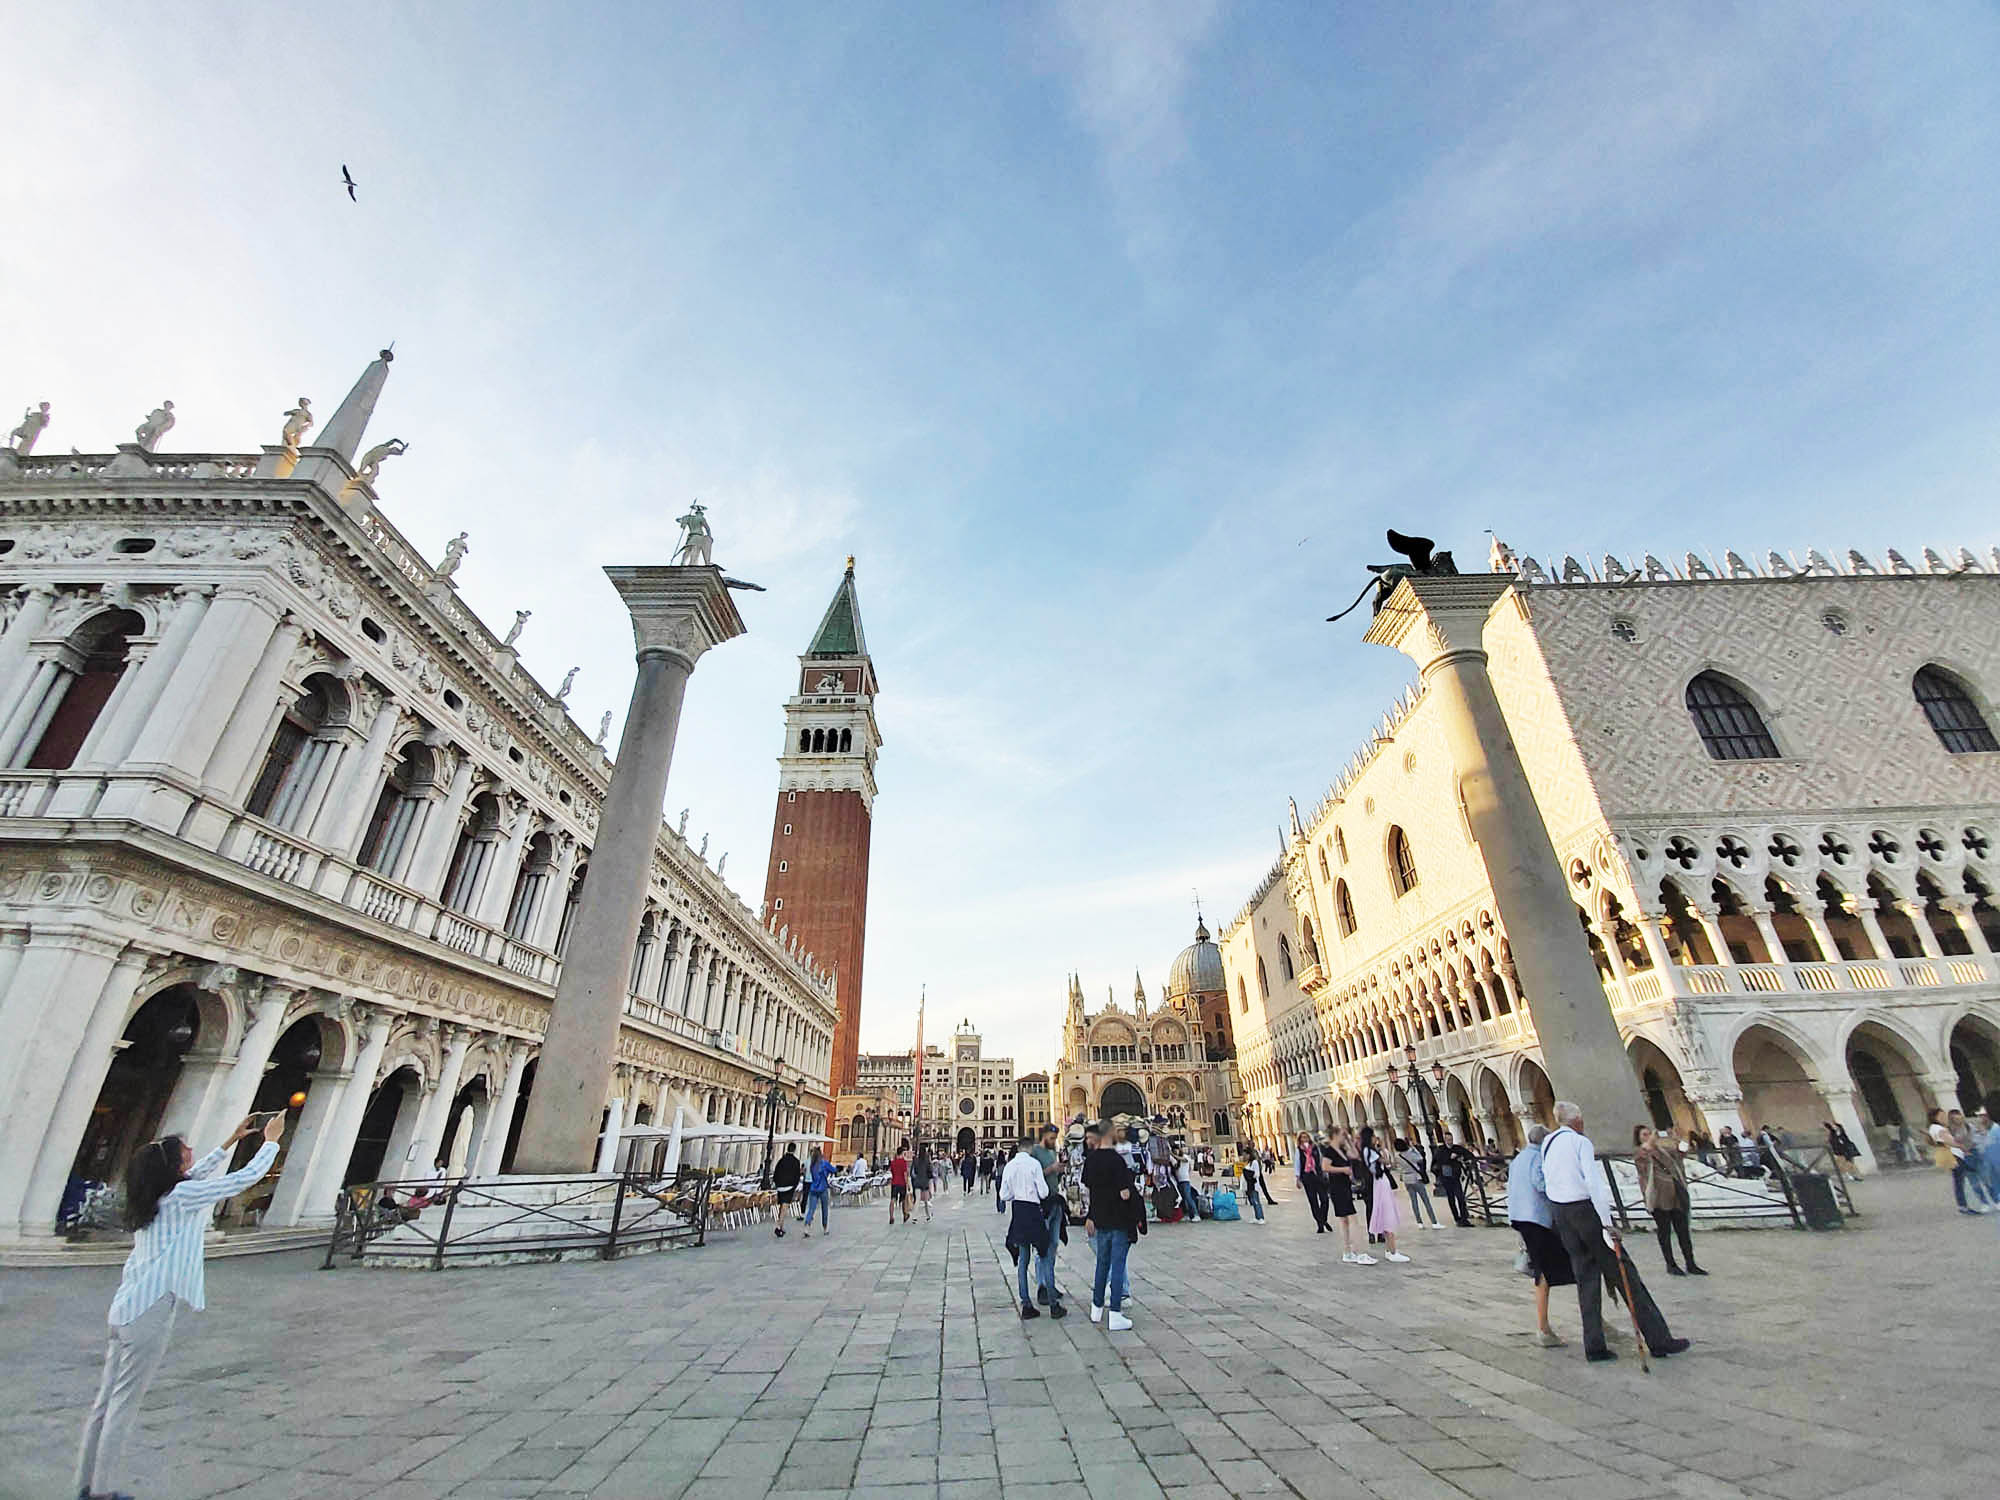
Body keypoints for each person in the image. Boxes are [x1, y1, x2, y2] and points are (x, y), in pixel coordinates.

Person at [76, 1114, 285, 1500]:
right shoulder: (181, 1197)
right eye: (185, 1152)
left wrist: (231, 1139)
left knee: (104, 1405)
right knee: (123, 1405)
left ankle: (86, 1486)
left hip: (125, 1307)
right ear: (173, 1166)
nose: (192, 1153)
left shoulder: (154, 1197)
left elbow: (199, 1175)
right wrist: (270, 1142)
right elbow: (238, 1181)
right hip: (151, 1310)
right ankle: (102, 1493)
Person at [1542, 1100, 1691, 1364]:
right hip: (1585, 1211)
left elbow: (1549, 1179)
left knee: (1585, 1278)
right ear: (1577, 1121)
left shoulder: (1548, 1142)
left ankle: (1594, 1346)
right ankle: (1658, 1339)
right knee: (1625, 1274)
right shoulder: (1580, 1142)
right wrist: (1607, 1223)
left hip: (1562, 1213)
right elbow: (1593, 1184)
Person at [1506, 1124, 1572, 1347]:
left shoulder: (1518, 1159)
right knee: (1544, 1272)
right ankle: (1543, 1329)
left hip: (1521, 1218)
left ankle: (1547, 1327)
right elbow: (1540, 1183)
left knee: (1547, 1270)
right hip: (1538, 1220)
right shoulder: (1537, 1158)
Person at [1082, 1120, 1142, 1330]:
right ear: (1110, 1134)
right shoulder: (1117, 1161)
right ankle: (1115, 1313)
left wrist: (1090, 1215)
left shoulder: (1091, 1160)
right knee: (1117, 1266)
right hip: (1118, 1220)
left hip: (1100, 1220)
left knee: (1102, 1264)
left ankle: (1096, 1308)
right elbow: (1126, 1194)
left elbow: (1089, 1191)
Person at [1633, 1125, 1704, 1275]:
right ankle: (1670, 1264)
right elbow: (1644, 1158)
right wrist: (1650, 1142)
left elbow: (1684, 1152)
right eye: (1644, 1135)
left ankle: (1690, 1263)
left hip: (1676, 1195)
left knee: (1683, 1231)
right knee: (1664, 1232)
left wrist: (1677, 1139)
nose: (1649, 1137)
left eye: (1649, 1134)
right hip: (1659, 1197)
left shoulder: (1664, 1151)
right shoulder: (1641, 1154)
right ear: (1638, 1139)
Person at [1000, 1144, 1053, 1318]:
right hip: (1033, 1212)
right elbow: (1044, 1192)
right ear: (1029, 1149)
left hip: (1018, 1213)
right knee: (1044, 1255)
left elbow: (1004, 1195)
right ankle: (1053, 1303)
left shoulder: (1010, 1166)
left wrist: (1017, 1192)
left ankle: (1026, 1304)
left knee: (1023, 1260)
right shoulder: (1034, 1164)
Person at [1027, 1124, 1068, 1311]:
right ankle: (1042, 1287)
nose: (1053, 1141)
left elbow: (1052, 1176)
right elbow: (1031, 1178)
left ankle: (1051, 1284)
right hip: (1042, 1205)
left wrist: (1058, 1172)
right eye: (1051, 1138)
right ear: (1043, 1136)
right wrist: (1050, 1170)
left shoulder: (1052, 1152)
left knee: (1053, 1245)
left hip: (1055, 1201)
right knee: (1041, 1247)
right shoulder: (1035, 1152)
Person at [1359, 1127, 1410, 1262]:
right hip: (1380, 1183)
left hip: (1379, 1183)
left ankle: (1389, 1249)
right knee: (1388, 1213)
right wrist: (1381, 1147)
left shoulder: (1365, 1151)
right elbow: (1387, 1161)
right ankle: (1392, 1251)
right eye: (1373, 1136)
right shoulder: (1370, 1151)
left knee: (1385, 1212)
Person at [1325, 1126, 1373, 1264]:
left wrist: (1349, 1140)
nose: (1343, 1137)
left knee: (1345, 1221)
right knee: (1353, 1220)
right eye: (1341, 1134)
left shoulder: (1342, 1150)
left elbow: (1356, 1155)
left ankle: (1347, 1252)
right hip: (1337, 1188)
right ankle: (1361, 1253)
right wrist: (1343, 1169)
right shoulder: (1330, 1151)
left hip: (1344, 1187)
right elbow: (1325, 1167)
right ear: (1334, 1135)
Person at [1397, 1137, 1442, 1229]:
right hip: (1416, 1178)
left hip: (1407, 1179)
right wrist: (1413, 1148)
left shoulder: (1397, 1156)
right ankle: (1434, 1222)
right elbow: (1420, 1158)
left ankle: (1419, 1223)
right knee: (1425, 1200)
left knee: (1414, 1201)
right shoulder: (1410, 1153)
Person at [1295, 1132, 1330, 1233]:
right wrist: (1298, 1179)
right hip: (1307, 1177)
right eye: (1302, 1138)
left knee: (1324, 1199)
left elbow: (1320, 1160)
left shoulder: (1315, 1148)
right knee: (1313, 1201)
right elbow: (1297, 1164)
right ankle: (1320, 1224)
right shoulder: (1299, 1151)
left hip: (1318, 1175)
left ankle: (1323, 1219)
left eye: (1306, 1137)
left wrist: (1324, 1172)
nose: (1304, 1139)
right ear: (1300, 1140)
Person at [1434, 1135, 1473, 1227]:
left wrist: (1461, 1157)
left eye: (1451, 1139)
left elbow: (1469, 1155)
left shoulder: (1457, 1148)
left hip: (1455, 1177)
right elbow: (1438, 1161)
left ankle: (1464, 1218)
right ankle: (1457, 1218)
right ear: (1445, 1140)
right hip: (1446, 1177)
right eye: (1448, 1140)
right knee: (1451, 1198)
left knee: (1460, 1197)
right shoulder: (1440, 1150)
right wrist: (1449, 1157)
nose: (1450, 1141)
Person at [801, 1147, 835, 1237]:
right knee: (824, 1208)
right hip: (823, 1188)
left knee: (811, 1209)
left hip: (813, 1188)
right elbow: (834, 1170)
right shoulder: (824, 1163)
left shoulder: (812, 1165)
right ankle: (825, 1227)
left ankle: (807, 1226)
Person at [772, 1144, 802, 1238]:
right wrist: (794, 1185)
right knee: (785, 1207)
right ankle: (778, 1227)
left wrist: (777, 1183)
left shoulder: (781, 1160)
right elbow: (797, 1175)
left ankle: (781, 1225)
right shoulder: (796, 1161)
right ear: (794, 1150)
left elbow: (776, 1173)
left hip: (780, 1186)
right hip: (789, 1186)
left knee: (781, 1206)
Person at [1237, 1149, 1265, 1222]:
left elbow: (1257, 1174)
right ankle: (1256, 1217)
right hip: (1249, 1186)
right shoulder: (1248, 1164)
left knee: (1256, 1201)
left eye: (1245, 1155)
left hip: (1254, 1185)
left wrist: (1249, 1175)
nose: (1244, 1156)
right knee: (1252, 1201)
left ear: (1249, 1155)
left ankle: (1261, 1217)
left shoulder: (1254, 1162)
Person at [888, 1143, 912, 1224]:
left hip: (894, 1183)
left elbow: (892, 1173)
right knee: (903, 1200)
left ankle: (891, 1217)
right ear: (902, 1153)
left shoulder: (893, 1162)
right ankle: (905, 1215)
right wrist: (908, 1184)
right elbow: (905, 1174)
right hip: (902, 1183)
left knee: (892, 1199)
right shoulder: (903, 1162)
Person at [1174, 1153, 1201, 1220]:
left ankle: (1196, 1214)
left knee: (1188, 1198)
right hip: (1179, 1181)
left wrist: (1172, 1155)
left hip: (1185, 1181)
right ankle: (1186, 1214)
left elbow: (1184, 1160)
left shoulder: (1185, 1156)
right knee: (1182, 1199)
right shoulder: (1176, 1160)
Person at [912, 1142, 935, 1220]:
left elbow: (915, 1171)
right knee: (926, 1200)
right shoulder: (927, 1160)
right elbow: (930, 1170)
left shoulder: (916, 1160)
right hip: (925, 1182)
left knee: (917, 1200)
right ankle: (928, 1215)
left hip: (917, 1181)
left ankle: (914, 1217)